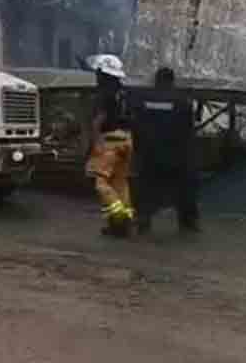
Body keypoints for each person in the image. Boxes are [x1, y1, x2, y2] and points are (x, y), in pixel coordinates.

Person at [132, 67, 200, 234]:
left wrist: (139, 148)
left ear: (156, 80)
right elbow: (188, 130)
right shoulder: (182, 101)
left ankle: (143, 219)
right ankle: (188, 222)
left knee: (145, 187)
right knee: (184, 188)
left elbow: (135, 124)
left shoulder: (143, 99)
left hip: (149, 153)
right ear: (172, 81)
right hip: (175, 154)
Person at [84, 54, 135, 237]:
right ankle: (122, 223)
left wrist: (96, 143)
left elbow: (98, 120)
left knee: (99, 181)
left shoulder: (104, 93)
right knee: (120, 183)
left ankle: (119, 216)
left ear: (102, 73)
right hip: (127, 140)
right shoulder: (125, 93)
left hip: (110, 141)